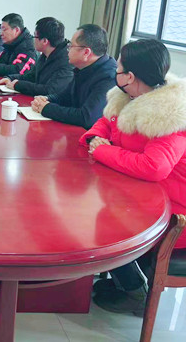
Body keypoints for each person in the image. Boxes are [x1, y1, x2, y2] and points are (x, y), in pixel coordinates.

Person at [79, 39, 186, 315]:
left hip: (172, 212)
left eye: (119, 68)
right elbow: (106, 122)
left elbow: (154, 166)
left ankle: (134, 291)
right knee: (96, 207)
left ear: (130, 76)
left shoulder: (169, 114)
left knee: (107, 222)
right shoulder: (130, 96)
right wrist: (94, 138)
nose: (115, 71)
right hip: (142, 193)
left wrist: (102, 151)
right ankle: (122, 277)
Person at [30, 24, 116, 129]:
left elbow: (86, 117)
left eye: (71, 46)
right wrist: (46, 99)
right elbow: (65, 97)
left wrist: (47, 108)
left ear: (86, 52)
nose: (68, 50)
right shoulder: (83, 68)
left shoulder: (108, 77)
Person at [0, 17, 73, 96]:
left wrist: (18, 85)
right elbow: (31, 76)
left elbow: (50, 90)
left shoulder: (66, 61)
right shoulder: (45, 55)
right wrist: (10, 78)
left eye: (35, 36)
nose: (33, 39)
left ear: (44, 41)